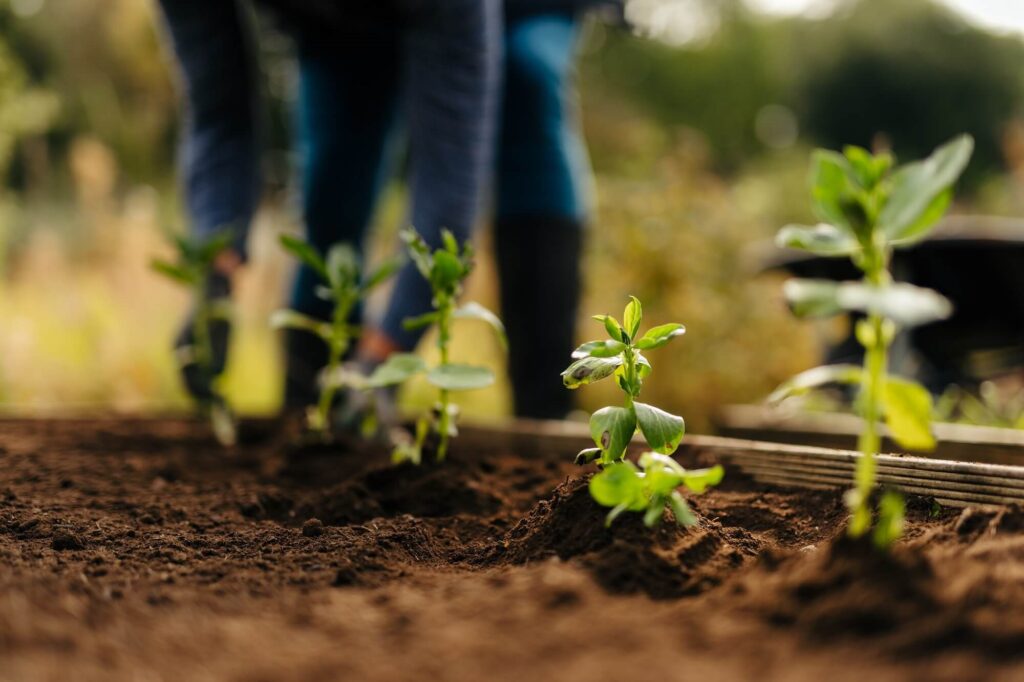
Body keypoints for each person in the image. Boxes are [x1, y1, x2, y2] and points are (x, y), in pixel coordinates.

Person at [155, 0, 502, 409]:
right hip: (332, 31)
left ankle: (544, 400)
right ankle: (309, 410)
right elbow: (219, 114)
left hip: (474, 17)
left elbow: (449, 181)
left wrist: (384, 360)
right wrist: (213, 274)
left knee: (528, 81)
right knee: (332, 198)